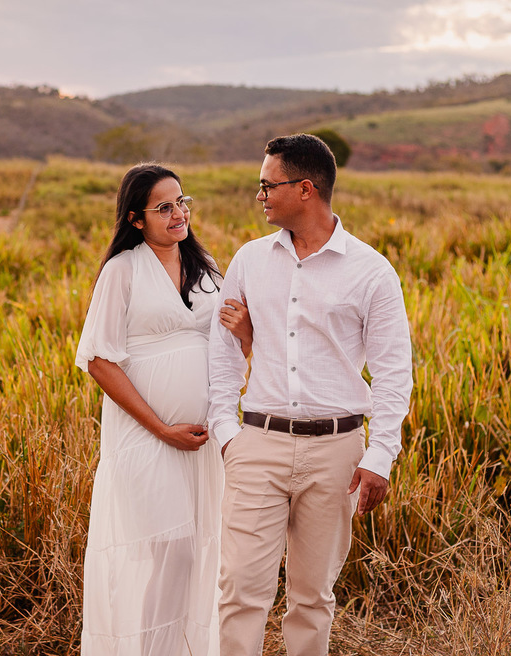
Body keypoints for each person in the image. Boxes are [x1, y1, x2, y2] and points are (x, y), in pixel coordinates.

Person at [207, 134, 413, 655]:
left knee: (312, 597)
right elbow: (223, 353)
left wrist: (381, 455)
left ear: (305, 189)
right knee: (239, 591)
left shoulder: (372, 271)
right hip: (258, 444)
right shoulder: (250, 261)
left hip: (336, 454)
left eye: (266, 185)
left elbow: (394, 372)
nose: (259, 196)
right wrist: (227, 432)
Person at [76, 163, 252, 656]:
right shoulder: (122, 271)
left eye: (182, 202)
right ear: (136, 220)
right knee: (167, 551)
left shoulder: (206, 269)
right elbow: (98, 360)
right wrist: (162, 429)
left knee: (200, 555)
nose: (179, 214)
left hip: (201, 440)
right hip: (146, 438)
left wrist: (244, 335)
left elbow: (229, 351)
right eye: (164, 207)